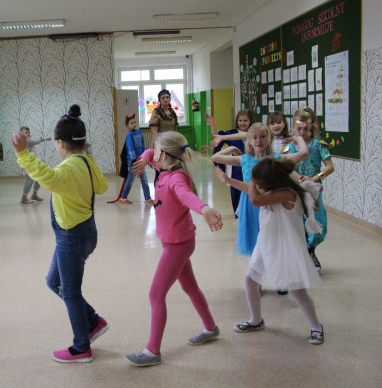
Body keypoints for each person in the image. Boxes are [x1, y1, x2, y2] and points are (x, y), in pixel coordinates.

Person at [10, 105, 109, 364]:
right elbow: (102, 186)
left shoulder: (69, 167)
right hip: (85, 233)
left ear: (61, 143)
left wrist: (23, 154)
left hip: (72, 236)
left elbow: (47, 177)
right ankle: (93, 321)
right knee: (53, 282)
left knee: (70, 292)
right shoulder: (86, 162)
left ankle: (81, 348)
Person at [124, 132, 223, 367]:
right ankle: (211, 328)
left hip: (178, 246)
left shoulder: (175, 178)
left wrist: (205, 209)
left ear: (165, 154)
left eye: (157, 149)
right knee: (190, 287)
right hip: (175, 242)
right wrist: (145, 158)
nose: (153, 152)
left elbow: (186, 196)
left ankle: (152, 351)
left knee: (156, 294)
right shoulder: (164, 168)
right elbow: (150, 153)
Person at [215, 158, 324, 345]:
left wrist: (252, 177)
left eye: (259, 184)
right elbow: (250, 190)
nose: (256, 187)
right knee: (251, 280)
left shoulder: (287, 194)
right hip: (266, 243)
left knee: (297, 290)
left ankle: (316, 327)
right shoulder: (271, 192)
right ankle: (256, 320)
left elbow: (254, 199)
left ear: (272, 183)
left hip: (287, 247)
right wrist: (229, 180)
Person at [211, 123, 309, 257]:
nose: (259, 140)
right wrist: (232, 148)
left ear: (269, 139)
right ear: (249, 141)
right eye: (255, 137)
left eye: (263, 136)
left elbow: (303, 153)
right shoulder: (244, 159)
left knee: (271, 239)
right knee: (254, 241)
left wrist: (298, 138)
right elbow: (215, 157)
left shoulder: (276, 159)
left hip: (270, 202)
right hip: (249, 203)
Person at [288, 108, 333, 273]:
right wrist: (300, 179)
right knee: (298, 222)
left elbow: (329, 166)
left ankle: (311, 250)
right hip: (296, 190)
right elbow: (287, 168)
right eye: (298, 129)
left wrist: (315, 178)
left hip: (314, 190)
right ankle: (302, 255)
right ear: (293, 127)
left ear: (310, 128)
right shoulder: (290, 148)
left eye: (305, 129)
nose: (302, 132)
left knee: (318, 222)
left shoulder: (317, 145)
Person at [208, 109, 254, 215]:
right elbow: (217, 139)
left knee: (252, 190)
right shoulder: (232, 133)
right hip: (237, 168)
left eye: (245, 120)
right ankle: (239, 214)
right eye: (240, 120)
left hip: (253, 166)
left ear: (250, 121)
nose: (242, 123)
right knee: (237, 191)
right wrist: (212, 124)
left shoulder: (255, 132)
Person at [119, 113, 152, 204]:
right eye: (131, 123)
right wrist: (134, 159)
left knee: (144, 179)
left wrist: (144, 156)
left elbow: (143, 145)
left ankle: (148, 198)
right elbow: (130, 147)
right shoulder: (129, 135)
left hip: (140, 160)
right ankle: (123, 197)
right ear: (127, 126)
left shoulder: (139, 132)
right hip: (132, 160)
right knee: (130, 179)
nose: (134, 124)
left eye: (134, 122)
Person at [149, 89, 179, 184]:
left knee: (172, 170)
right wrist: (157, 148)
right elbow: (154, 132)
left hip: (172, 144)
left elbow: (175, 129)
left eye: (167, 97)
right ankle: (158, 191)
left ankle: (169, 190)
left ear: (170, 99)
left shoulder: (172, 112)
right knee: (160, 171)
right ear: (159, 100)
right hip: (161, 144)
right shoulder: (156, 113)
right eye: (163, 98)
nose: (165, 99)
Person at [18, 126, 51, 204]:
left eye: (28, 132)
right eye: (26, 133)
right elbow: (37, 141)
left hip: (33, 163)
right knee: (29, 179)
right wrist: (45, 139)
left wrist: (45, 139)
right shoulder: (26, 141)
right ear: (21, 134)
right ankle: (24, 198)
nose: (28, 134)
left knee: (38, 178)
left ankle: (34, 195)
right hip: (30, 164)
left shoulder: (26, 140)